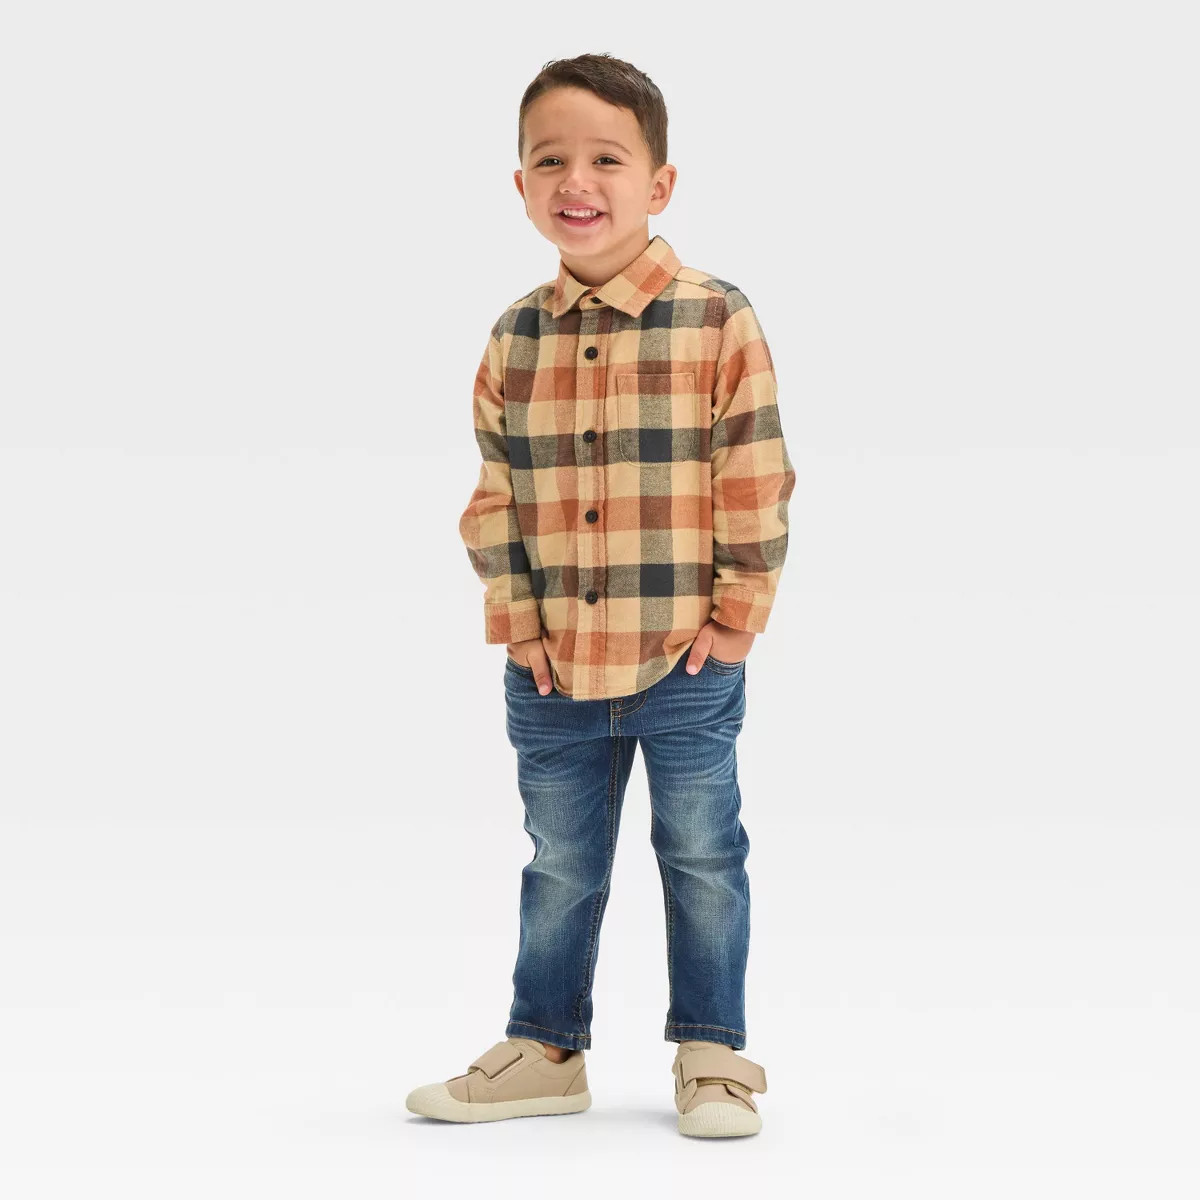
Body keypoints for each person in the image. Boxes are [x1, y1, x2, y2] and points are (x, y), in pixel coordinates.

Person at [406, 52, 795, 1138]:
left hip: (686, 661)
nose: (576, 181)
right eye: (550, 161)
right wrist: (516, 623)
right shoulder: (514, 337)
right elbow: (495, 493)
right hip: (551, 669)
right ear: (521, 185)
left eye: (607, 160)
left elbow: (754, 471)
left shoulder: (715, 317)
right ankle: (546, 1049)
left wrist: (737, 618)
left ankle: (712, 1053)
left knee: (703, 856)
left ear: (659, 182)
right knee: (560, 865)